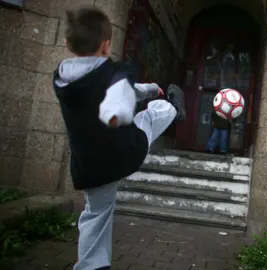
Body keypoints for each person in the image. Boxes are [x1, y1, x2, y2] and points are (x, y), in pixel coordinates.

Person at [52, 6, 184, 270]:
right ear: (106, 45)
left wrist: (148, 89)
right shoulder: (114, 75)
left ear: (67, 44)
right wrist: (117, 113)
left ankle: (91, 266)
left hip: (90, 167)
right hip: (124, 152)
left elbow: (120, 90)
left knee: (96, 213)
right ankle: (175, 109)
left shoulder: (61, 79)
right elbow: (120, 97)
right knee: (150, 116)